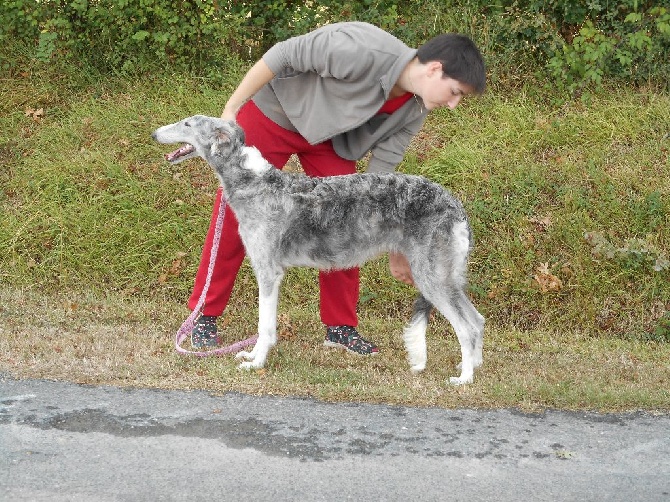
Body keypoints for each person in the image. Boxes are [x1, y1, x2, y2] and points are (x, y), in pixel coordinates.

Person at [189, 21, 486, 354]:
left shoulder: (415, 107)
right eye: (456, 92)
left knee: (351, 217)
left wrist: (397, 243)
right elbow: (281, 54)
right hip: (275, 115)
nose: (453, 104)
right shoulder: (361, 48)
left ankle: (339, 327)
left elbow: (379, 183)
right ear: (435, 69)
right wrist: (231, 109)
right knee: (235, 213)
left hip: (328, 141)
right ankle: (205, 315)